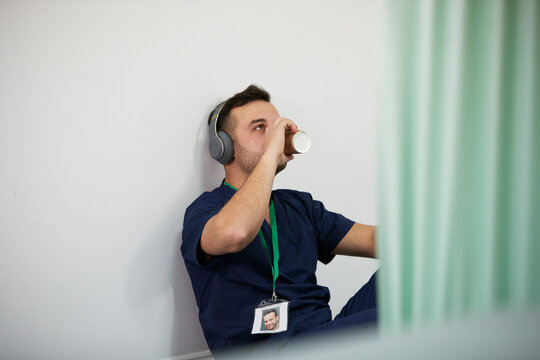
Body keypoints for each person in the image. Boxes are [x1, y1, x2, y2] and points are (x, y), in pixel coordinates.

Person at [181, 85, 377, 353]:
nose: (276, 135)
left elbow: (372, 239)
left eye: (277, 128)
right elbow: (234, 233)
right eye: (260, 127)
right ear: (224, 148)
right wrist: (271, 155)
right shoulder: (207, 209)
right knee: (380, 327)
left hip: (320, 340)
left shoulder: (299, 206)